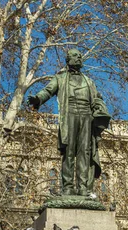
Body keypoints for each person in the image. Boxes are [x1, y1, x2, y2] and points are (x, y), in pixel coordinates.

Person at [27, 49, 111, 197]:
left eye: (80, 56)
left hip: (87, 117)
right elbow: (48, 90)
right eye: (75, 56)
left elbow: (97, 98)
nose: (78, 58)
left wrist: (100, 108)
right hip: (69, 115)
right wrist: (38, 99)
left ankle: (83, 187)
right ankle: (67, 187)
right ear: (68, 60)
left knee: (85, 153)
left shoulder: (89, 81)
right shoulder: (60, 78)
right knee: (69, 152)